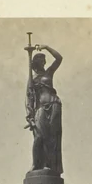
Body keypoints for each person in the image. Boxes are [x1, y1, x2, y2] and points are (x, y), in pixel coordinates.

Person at [25, 43, 63, 175]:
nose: (43, 63)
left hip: (54, 105)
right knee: (39, 136)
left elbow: (59, 58)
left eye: (44, 60)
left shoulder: (49, 73)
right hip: (40, 108)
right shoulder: (32, 79)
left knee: (51, 137)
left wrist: (47, 47)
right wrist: (29, 116)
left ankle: (48, 165)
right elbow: (29, 98)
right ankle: (36, 164)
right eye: (41, 60)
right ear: (35, 63)